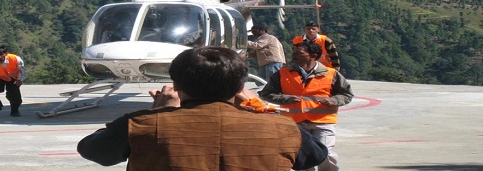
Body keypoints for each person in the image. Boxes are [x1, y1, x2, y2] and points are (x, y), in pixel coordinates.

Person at [78, 47, 328, 170]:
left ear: (175, 84)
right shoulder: (282, 128)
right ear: (241, 86)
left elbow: (94, 151)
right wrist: (260, 107)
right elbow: (315, 155)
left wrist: (158, 115)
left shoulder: (138, 125)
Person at [259, 41, 354, 171]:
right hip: (295, 123)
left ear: (313, 56)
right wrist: (285, 98)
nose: (293, 56)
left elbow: (347, 94)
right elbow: (266, 94)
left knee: (325, 153)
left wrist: (333, 100)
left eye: (299, 53)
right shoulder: (283, 73)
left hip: (323, 122)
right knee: (303, 157)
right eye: (294, 52)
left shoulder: (331, 74)